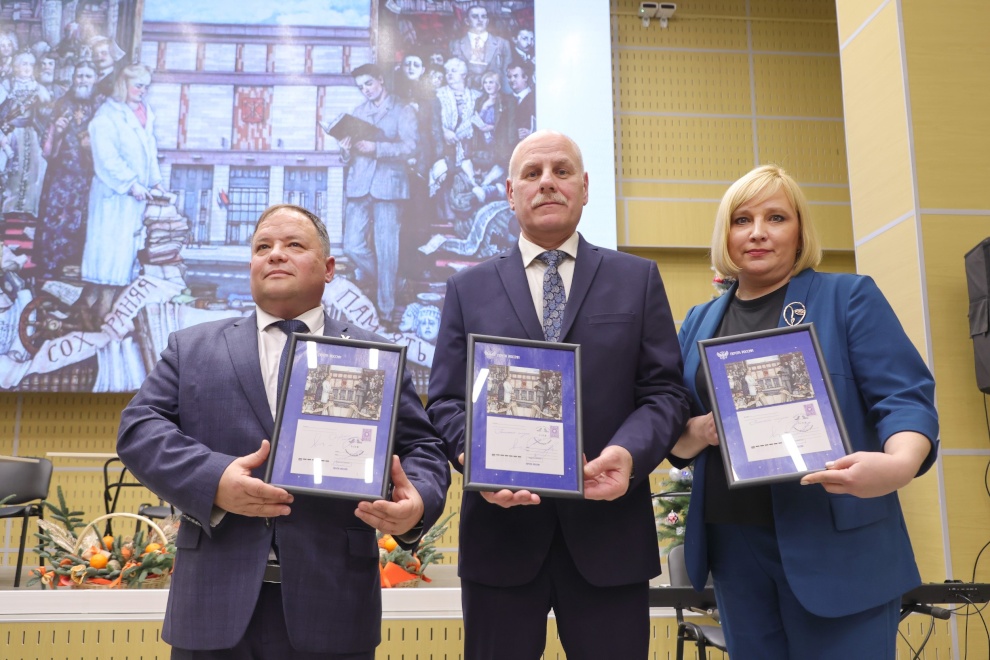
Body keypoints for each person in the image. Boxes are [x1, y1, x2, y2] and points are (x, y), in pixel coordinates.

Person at [117, 203, 450, 659]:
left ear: (329, 268)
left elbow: (422, 447)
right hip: (212, 607)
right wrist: (214, 480)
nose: (275, 254)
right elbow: (139, 429)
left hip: (333, 609)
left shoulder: (374, 355)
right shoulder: (191, 348)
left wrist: (418, 504)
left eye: (294, 244)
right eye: (262, 247)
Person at [427, 130, 691, 659]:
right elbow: (446, 402)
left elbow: (665, 392)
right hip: (500, 537)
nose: (547, 182)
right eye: (532, 173)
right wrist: (475, 456)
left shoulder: (636, 278)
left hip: (610, 537)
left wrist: (629, 454)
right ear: (510, 193)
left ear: (585, 187)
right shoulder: (467, 289)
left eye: (561, 171)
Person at [670, 164, 939, 659]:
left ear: (799, 231)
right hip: (733, 548)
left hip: (835, 545)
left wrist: (899, 465)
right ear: (725, 234)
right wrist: (705, 430)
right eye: (742, 219)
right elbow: (677, 431)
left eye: (776, 217)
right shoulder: (698, 321)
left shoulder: (848, 297)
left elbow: (905, 398)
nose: (757, 232)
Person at [80, 64, 163, 322]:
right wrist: (129, 183)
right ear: (123, 85)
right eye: (138, 85)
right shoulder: (107, 115)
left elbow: (149, 151)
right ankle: (93, 317)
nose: (143, 91)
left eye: (146, 86)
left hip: (134, 200)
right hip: (112, 197)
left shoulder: (144, 113)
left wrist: (155, 182)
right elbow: (106, 158)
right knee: (108, 264)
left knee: (123, 263)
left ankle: (105, 317)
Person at [339, 63, 418, 327]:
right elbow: (348, 157)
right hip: (359, 186)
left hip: (389, 187)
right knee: (351, 245)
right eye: (361, 87)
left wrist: (377, 148)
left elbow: (411, 147)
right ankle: (397, 283)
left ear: (381, 80)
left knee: (387, 252)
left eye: (369, 84)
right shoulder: (358, 112)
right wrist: (345, 150)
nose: (366, 90)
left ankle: (386, 314)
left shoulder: (403, 110)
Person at [34, 61, 98, 283]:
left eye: (88, 76)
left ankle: (77, 277)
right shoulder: (61, 104)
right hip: (60, 178)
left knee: (82, 224)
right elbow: (47, 150)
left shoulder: (100, 106)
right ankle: (49, 273)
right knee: (55, 223)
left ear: (95, 79)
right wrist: (58, 132)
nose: (83, 80)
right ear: (73, 78)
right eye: (79, 75)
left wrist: (92, 144)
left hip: (88, 177)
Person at [448, 4, 511, 88]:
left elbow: (506, 75)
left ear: (487, 21)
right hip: (465, 91)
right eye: (475, 16)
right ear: (467, 21)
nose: (480, 20)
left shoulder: (502, 44)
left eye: (483, 17)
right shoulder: (455, 45)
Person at [505, 61, 535, 142]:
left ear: (525, 77)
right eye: (509, 77)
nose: (512, 80)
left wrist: (532, 133)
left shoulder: (536, 99)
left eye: (515, 76)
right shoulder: (505, 100)